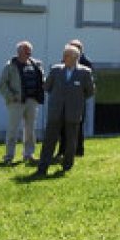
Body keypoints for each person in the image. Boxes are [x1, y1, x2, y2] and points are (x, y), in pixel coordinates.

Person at [36, 43, 95, 175]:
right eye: (64, 55)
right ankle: (43, 166)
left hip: (73, 112)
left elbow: (90, 92)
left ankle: (67, 165)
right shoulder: (56, 70)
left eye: (67, 55)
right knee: (49, 140)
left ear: (75, 57)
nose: (64, 58)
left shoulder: (85, 72)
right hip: (55, 111)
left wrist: (76, 98)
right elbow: (47, 87)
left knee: (71, 140)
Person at [0, 41, 45, 164]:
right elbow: (1, 85)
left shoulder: (36, 65)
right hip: (16, 102)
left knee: (30, 129)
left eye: (30, 51)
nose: (29, 54)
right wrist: (11, 97)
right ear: (19, 52)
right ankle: (9, 156)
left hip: (32, 101)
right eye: (26, 51)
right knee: (13, 129)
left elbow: (42, 80)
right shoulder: (10, 66)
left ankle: (28, 154)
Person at [56, 38, 92, 158]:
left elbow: (88, 87)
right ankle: (62, 150)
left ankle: (78, 150)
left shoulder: (86, 63)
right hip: (63, 100)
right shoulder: (63, 62)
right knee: (62, 126)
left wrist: (80, 96)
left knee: (78, 126)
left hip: (78, 101)